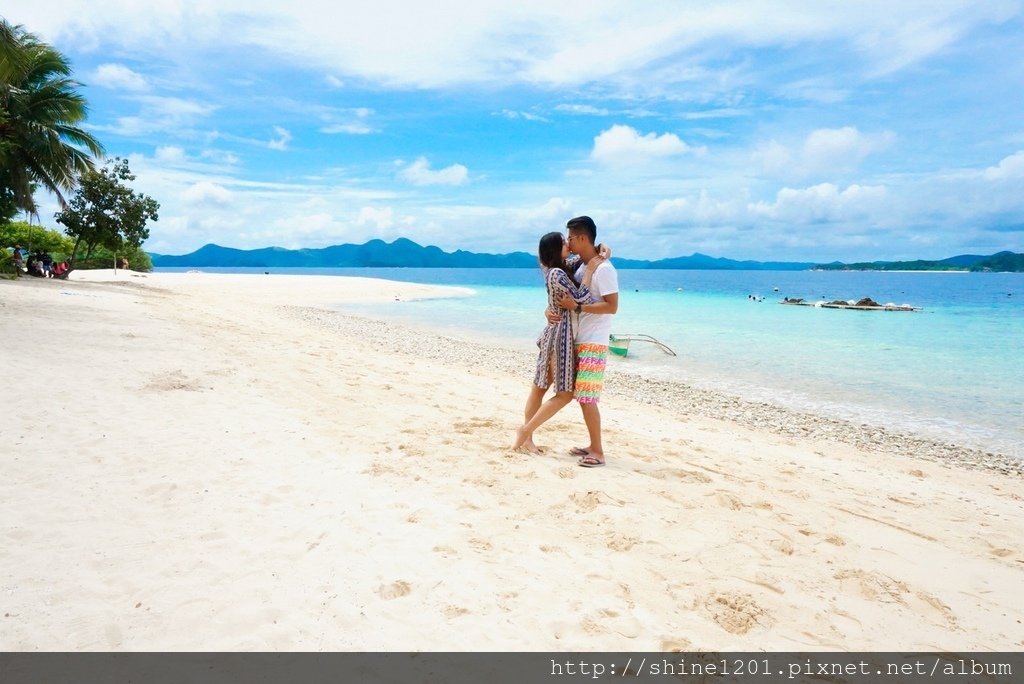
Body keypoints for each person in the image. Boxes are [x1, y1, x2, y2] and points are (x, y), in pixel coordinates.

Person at [511, 232, 604, 454]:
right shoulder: (556, 274)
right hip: (560, 337)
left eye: (569, 239)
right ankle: (525, 432)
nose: (568, 243)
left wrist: (601, 247)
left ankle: (527, 437)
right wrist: (590, 272)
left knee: (540, 386)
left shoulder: (561, 267)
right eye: (564, 241)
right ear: (555, 248)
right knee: (564, 394)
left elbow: (583, 257)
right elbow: (582, 298)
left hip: (556, 334)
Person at [549, 216, 619, 467]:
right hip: (579, 340)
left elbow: (612, 307)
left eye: (570, 238)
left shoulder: (605, 269)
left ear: (581, 238)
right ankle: (592, 444)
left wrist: (578, 307)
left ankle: (598, 452)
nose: (568, 242)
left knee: (588, 398)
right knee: (583, 397)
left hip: (594, 341)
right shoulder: (581, 267)